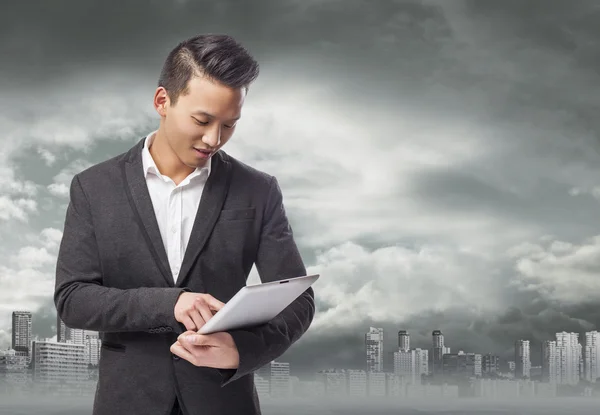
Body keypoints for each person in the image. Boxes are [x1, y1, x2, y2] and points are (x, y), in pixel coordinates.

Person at [54, 33, 315, 415]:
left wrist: (241, 351)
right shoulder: (94, 188)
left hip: (224, 400)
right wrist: (169, 303)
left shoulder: (258, 190)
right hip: (128, 402)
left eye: (229, 125)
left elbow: (297, 299)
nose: (214, 139)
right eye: (202, 120)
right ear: (163, 101)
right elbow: (73, 299)